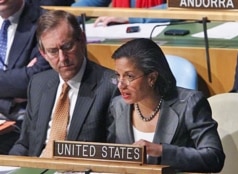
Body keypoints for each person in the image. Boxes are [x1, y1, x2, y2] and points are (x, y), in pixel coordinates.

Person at [9, 10, 118, 157]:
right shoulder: (38, 83)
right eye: (53, 51)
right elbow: (25, 143)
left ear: (82, 40)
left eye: (67, 47)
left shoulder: (111, 87)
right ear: (43, 53)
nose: (62, 58)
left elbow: (114, 152)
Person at [107, 38, 225, 173]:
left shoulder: (189, 103)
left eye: (129, 76)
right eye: (118, 75)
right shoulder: (118, 106)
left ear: (152, 78)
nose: (120, 85)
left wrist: (160, 150)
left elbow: (214, 158)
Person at [0, 0, 50, 154]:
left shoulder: (47, 23)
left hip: (21, 126)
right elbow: (26, 82)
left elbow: (39, 79)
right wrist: (12, 97)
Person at [71, 0, 169, 26]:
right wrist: (66, 14)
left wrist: (130, 16)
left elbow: (180, 6)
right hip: (122, 39)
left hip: (161, 40)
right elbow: (92, 2)